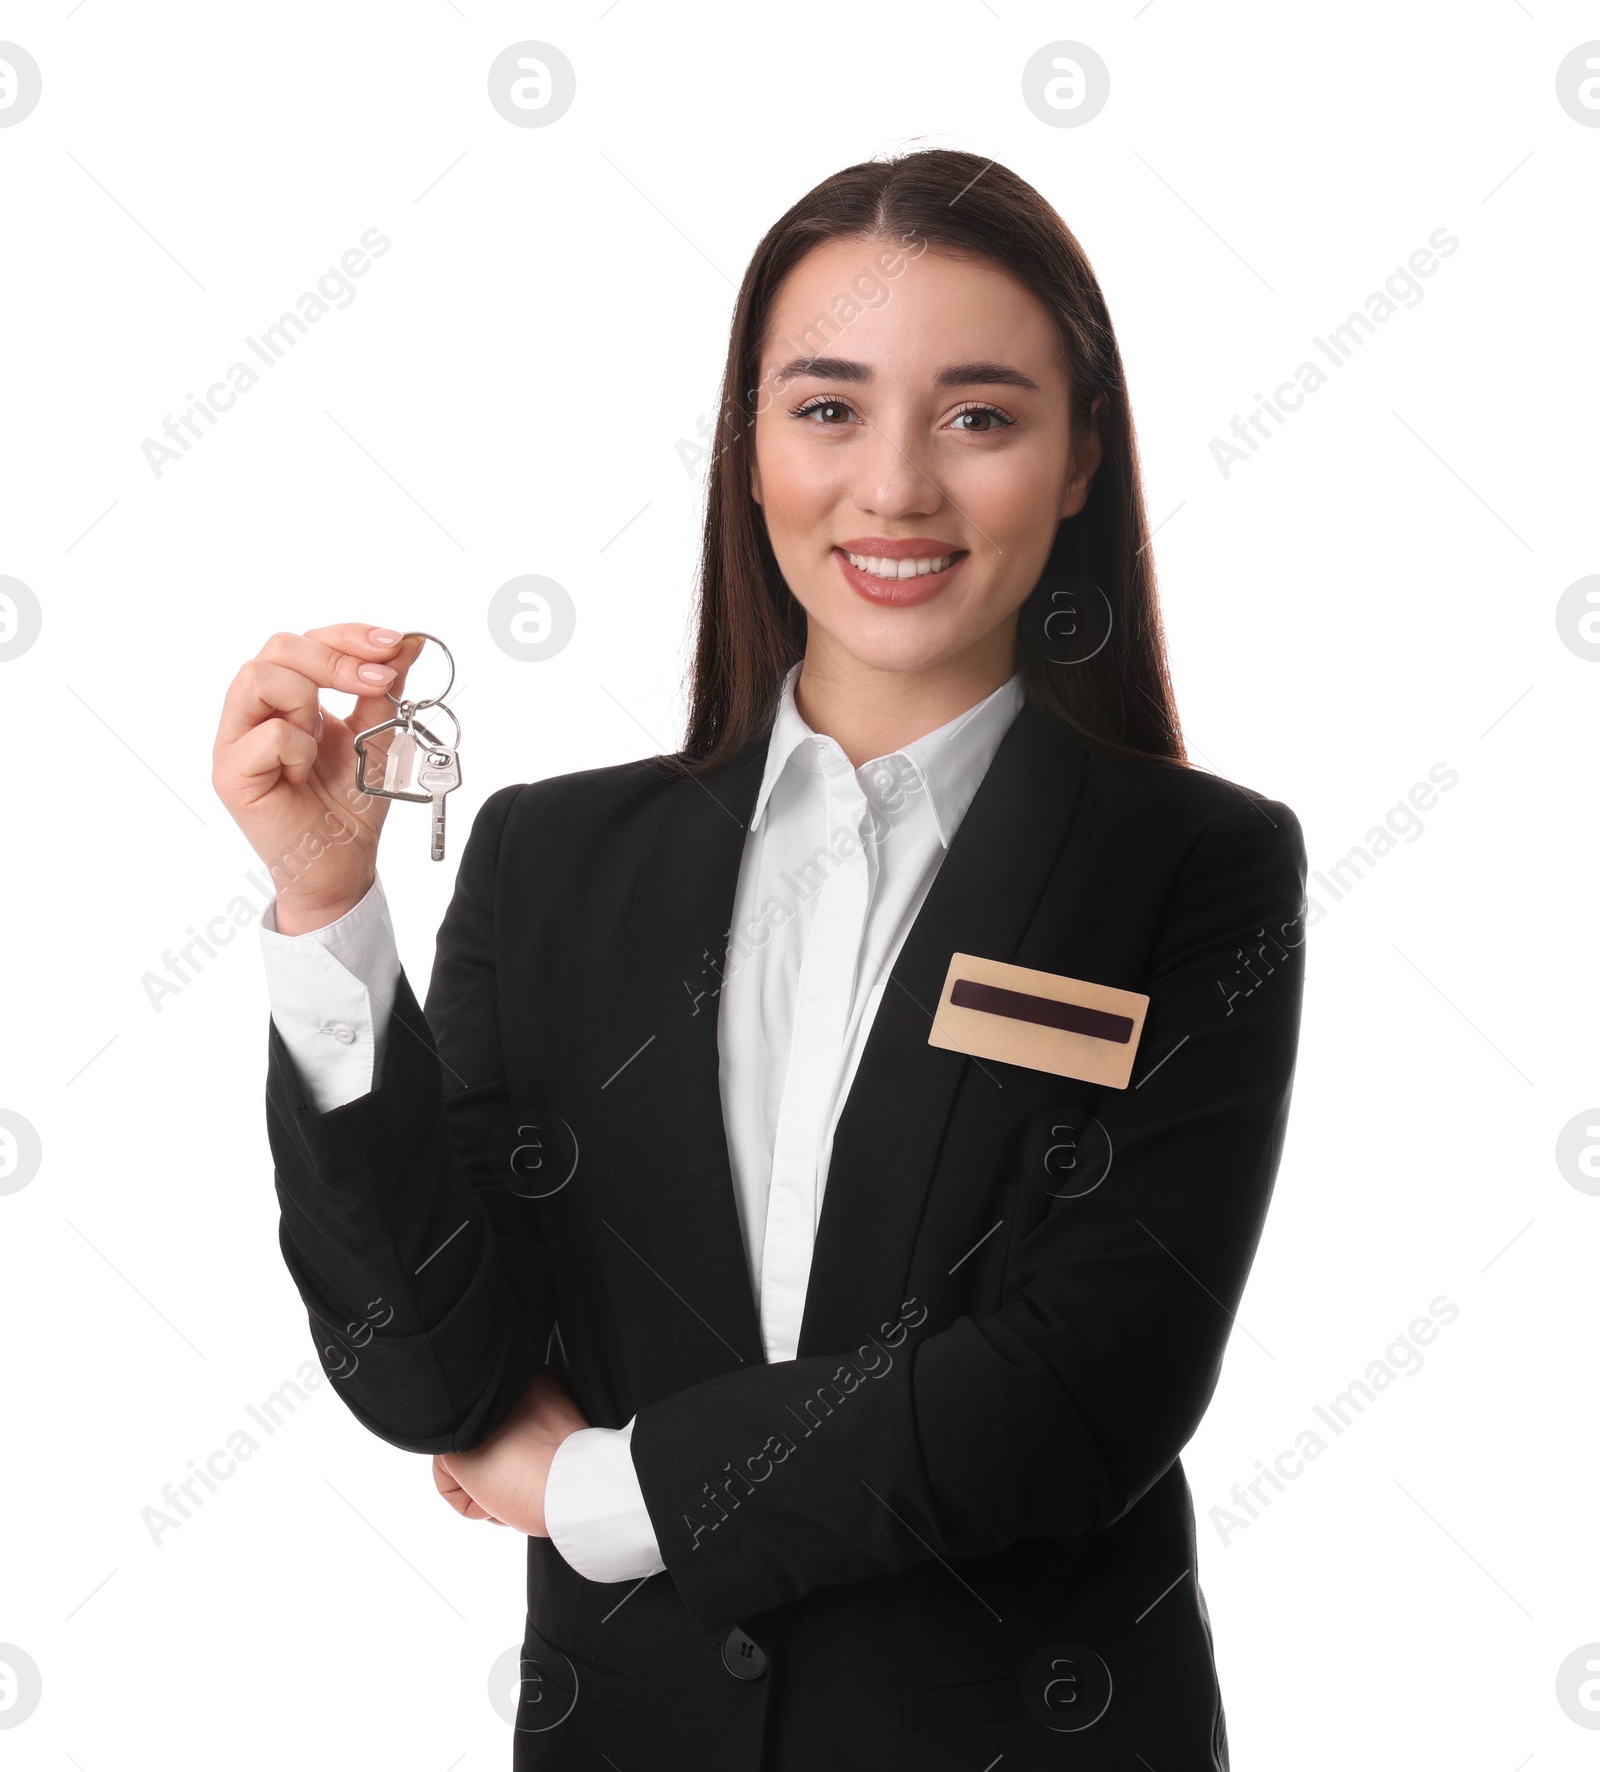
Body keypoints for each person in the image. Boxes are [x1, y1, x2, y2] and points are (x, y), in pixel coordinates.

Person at [212, 148, 1307, 1770]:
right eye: (827, 409)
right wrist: (328, 914)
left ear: (1081, 457)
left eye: (980, 416)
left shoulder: (1194, 870)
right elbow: (430, 1358)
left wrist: (598, 1490)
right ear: (744, 449)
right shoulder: (555, 858)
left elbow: (1078, 1398)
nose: (894, 490)